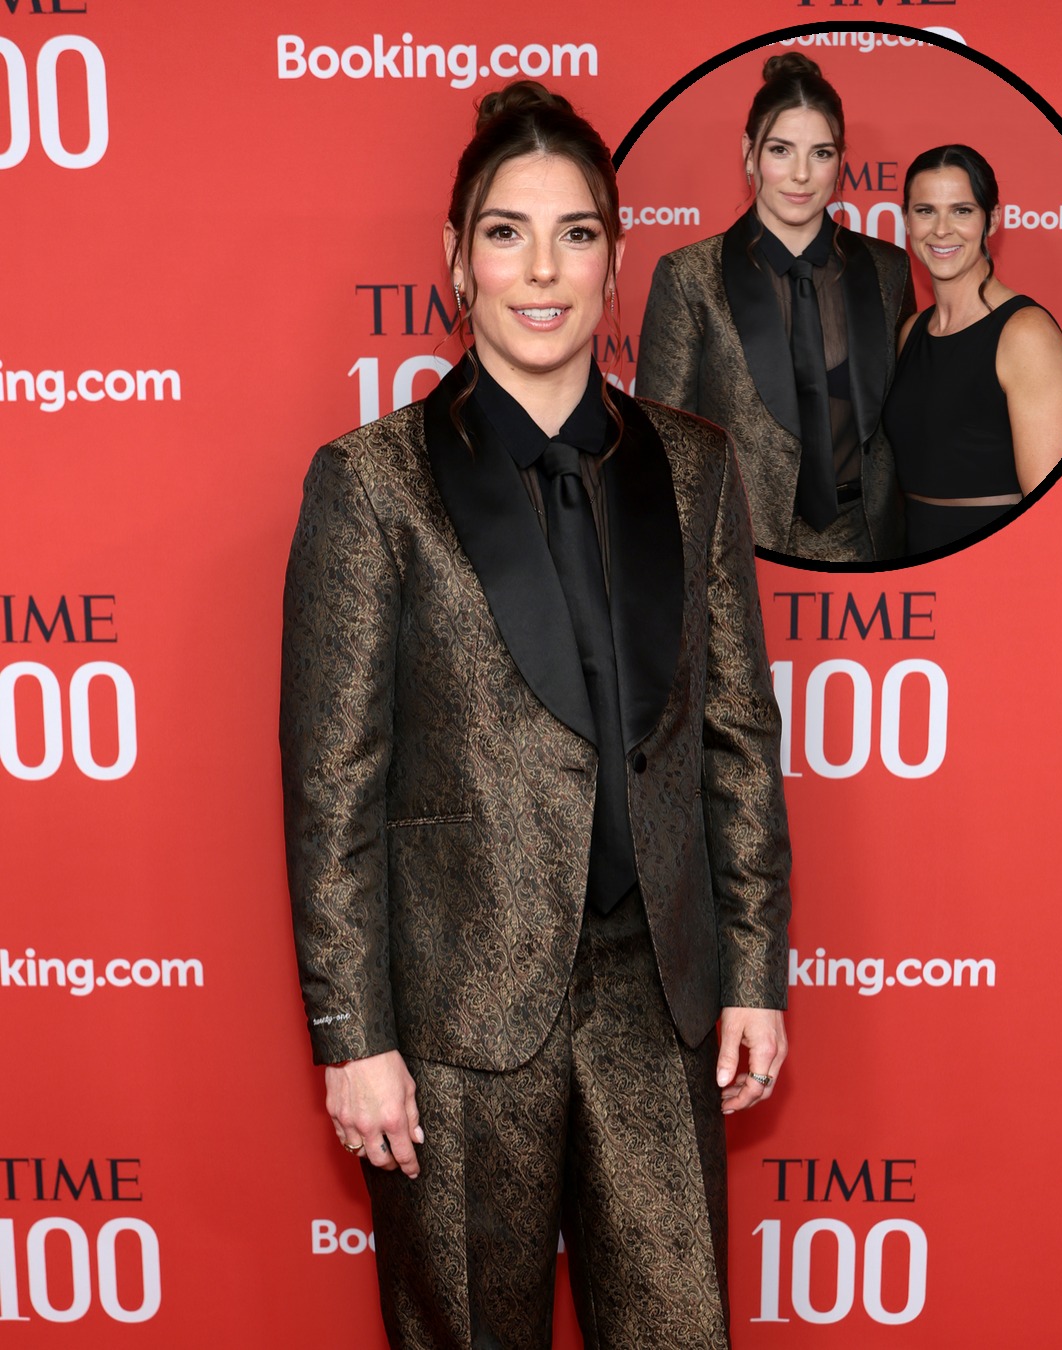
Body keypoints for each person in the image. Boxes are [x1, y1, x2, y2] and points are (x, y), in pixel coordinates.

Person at [280, 80, 791, 1350]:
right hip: (456, 1019)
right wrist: (354, 1038)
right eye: (507, 233)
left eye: (576, 234)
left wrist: (754, 971)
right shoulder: (373, 484)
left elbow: (736, 738)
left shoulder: (697, 464)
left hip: (657, 998)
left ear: (615, 260)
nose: (543, 270)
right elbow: (334, 784)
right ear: (458, 261)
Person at [636, 53, 914, 563]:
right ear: (749, 153)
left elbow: (904, 421)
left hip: (868, 546)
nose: (801, 175)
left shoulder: (889, 270)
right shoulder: (689, 276)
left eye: (821, 153)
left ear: (841, 160)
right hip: (739, 553)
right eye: (781, 150)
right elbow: (665, 446)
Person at [882, 144, 1062, 555]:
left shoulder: (1025, 333)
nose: (941, 230)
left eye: (962, 210)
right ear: (906, 220)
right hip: (912, 563)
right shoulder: (911, 331)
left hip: (994, 565)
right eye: (925, 211)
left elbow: (1053, 509)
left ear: (992, 220)